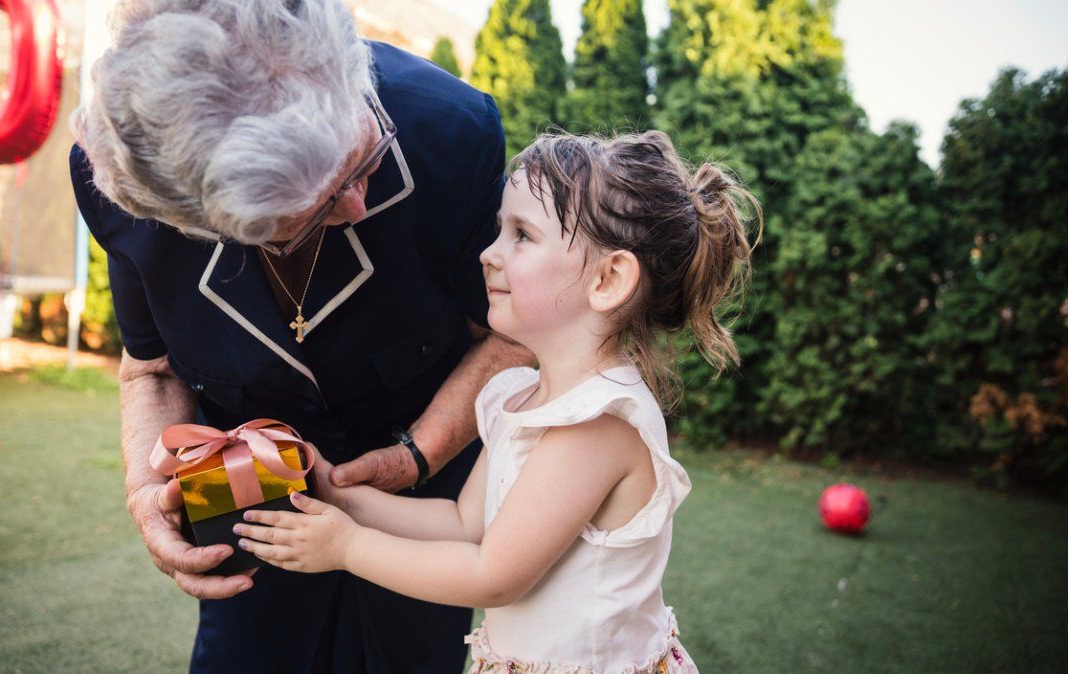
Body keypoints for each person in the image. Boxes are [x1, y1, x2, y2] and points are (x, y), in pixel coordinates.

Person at [67, 1, 531, 672]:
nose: (358, 205)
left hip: (423, 504)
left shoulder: (451, 130)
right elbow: (154, 369)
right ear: (196, 217)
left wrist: (416, 455)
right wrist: (146, 491)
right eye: (309, 211)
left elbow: (510, 335)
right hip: (240, 495)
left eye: (361, 160)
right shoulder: (122, 184)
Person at [234, 130, 763, 673]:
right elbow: (465, 525)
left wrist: (347, 549)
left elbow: (493, 574)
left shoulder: (596, 422)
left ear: (608, 280)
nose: (489, 254)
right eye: (498, 231)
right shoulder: (525, 396)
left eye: (522, 236)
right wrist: (341, 497)